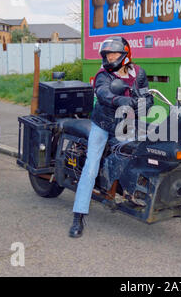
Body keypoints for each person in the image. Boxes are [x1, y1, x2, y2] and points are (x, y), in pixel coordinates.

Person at [69, 36, 153, 238]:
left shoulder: (138, 73)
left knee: (136, 154)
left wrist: (145, 103)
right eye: (107, 54)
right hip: (104, 124)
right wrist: (122, 100)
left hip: (126, 124)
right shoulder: (103, 74)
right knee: (91, 167)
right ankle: (78, 217)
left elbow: (146, 95)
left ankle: (128, 193)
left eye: (114, 54)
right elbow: (105, 94)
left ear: (125, 54)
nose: (109, 58)